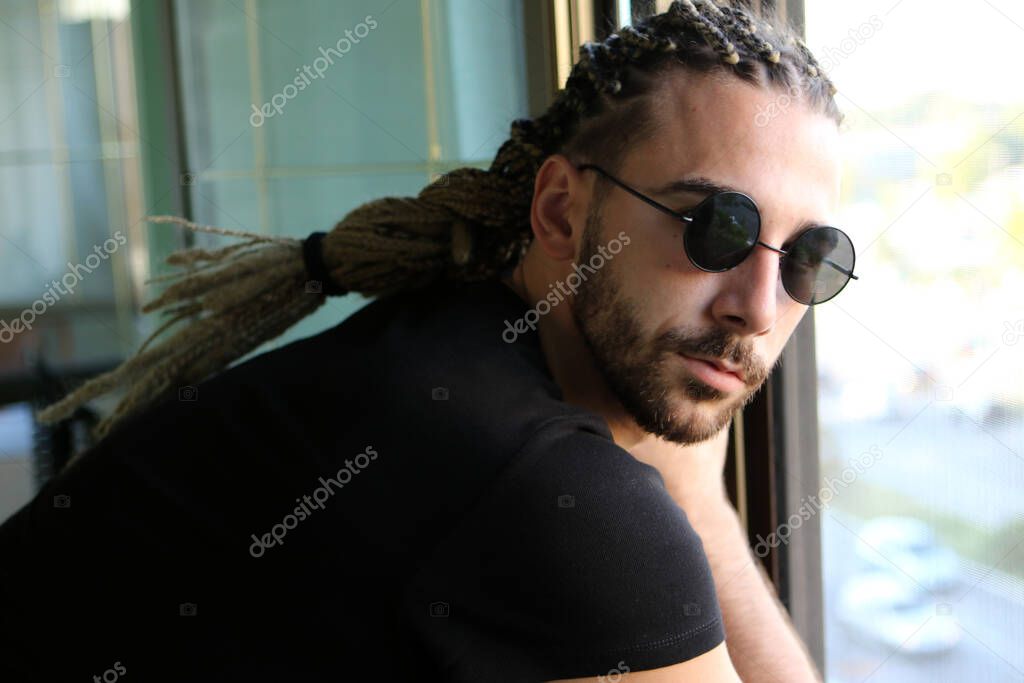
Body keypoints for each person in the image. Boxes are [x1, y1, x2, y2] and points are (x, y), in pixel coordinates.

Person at [0, 1, 856, 680]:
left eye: (809, 260)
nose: (758, 305)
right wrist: (698, 502)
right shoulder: (550, 489)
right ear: (561, 211)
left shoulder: (452, 343)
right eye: (714, 227)